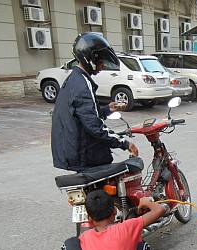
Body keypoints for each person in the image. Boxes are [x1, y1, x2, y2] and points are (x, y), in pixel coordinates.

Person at [51, 33, 139, 172]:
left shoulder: (74, 78)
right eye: (101, 60)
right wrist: (124, 143)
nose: (103, 65)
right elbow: (94, 126)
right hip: (83, 155)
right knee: (126, 176)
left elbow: (84, 114)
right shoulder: (83, 84)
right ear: (90, 58)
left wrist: (107, 109)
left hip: (72, 150)